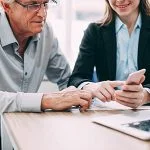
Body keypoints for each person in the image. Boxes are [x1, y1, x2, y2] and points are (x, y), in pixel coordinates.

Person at [0, 0, 92, 113]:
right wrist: (44, 100)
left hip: (25, 125)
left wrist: (89, 88)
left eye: (45, 4)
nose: (43, 14)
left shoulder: (45, 31)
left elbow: (66, 79)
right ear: (6, 6)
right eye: (33, 5)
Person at [68, 0, 150, 108]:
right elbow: (76, 79)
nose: (120, 0)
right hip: (108, 110)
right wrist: (91, 87)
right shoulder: (95, 31)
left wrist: (146, 95)